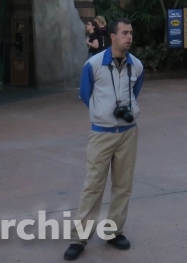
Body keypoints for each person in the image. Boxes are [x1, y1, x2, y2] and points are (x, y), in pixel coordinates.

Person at [65, 19, 144, 260]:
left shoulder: (137, 66)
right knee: (93, 186)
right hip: (101, 133)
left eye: (131, 33)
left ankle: (113, 231)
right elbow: (85, 94)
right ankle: (80, 238)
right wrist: (102, 113)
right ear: (112, 36)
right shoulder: (94, 64)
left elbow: (135, 92)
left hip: (128, 133)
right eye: (124, 33)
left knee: (123, 186)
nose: (128, 37)